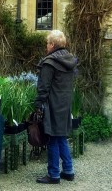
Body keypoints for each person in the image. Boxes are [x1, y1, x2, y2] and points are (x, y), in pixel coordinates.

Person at [34, 30, 77, 184]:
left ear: (52, 45)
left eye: (47, 43)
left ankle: (53, 174)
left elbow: (43, 88)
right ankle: (68, 170)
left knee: (52, 138)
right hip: (65, 104)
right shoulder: (70, 60)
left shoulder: (49, 63)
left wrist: (38, 105)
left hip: (52, 105)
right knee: (61, 138)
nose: (46, 46)